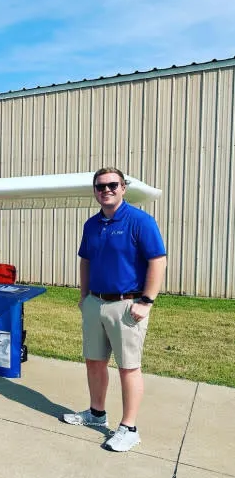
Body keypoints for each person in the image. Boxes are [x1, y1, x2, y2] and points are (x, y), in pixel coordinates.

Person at [61, 167, 166, 452]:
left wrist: (146, 300)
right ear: (95, 191)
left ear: (123, 188)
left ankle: (129, 428)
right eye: (100, 186)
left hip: (127, 305)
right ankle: (96, 414)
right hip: (96, 302)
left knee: (128, 368)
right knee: (94, 361)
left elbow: (158, 260)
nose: (105, 190)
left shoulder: (140, 221)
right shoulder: (92, 225)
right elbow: (85, 261)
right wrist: (84, 296)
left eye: (112, 185)